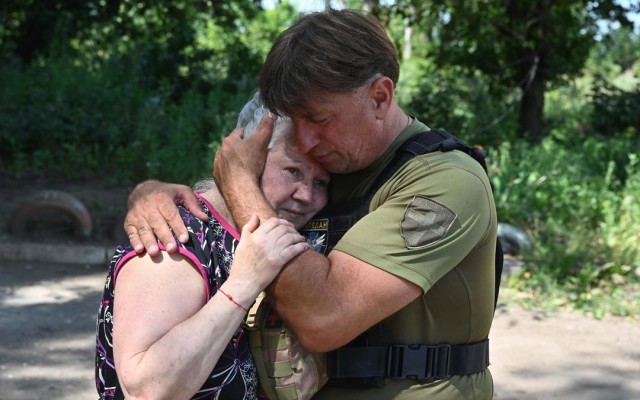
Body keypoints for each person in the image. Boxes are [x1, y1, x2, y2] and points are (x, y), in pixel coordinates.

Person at [124, 8, 498, 399]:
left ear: (380, 97)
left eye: (318, 119)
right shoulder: (336, 161)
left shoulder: (446, 182)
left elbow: (325, 317)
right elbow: (227, 208)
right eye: (294, 120)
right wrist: (152, 194)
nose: (304, 142)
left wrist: (239, 183)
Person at [95, 93, 330, 400]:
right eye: (293, 171)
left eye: (321, 183)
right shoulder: (176, 235)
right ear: (245, 156)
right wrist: (245, 283)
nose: (306, 196)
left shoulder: (290, 231)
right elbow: (148, 390)